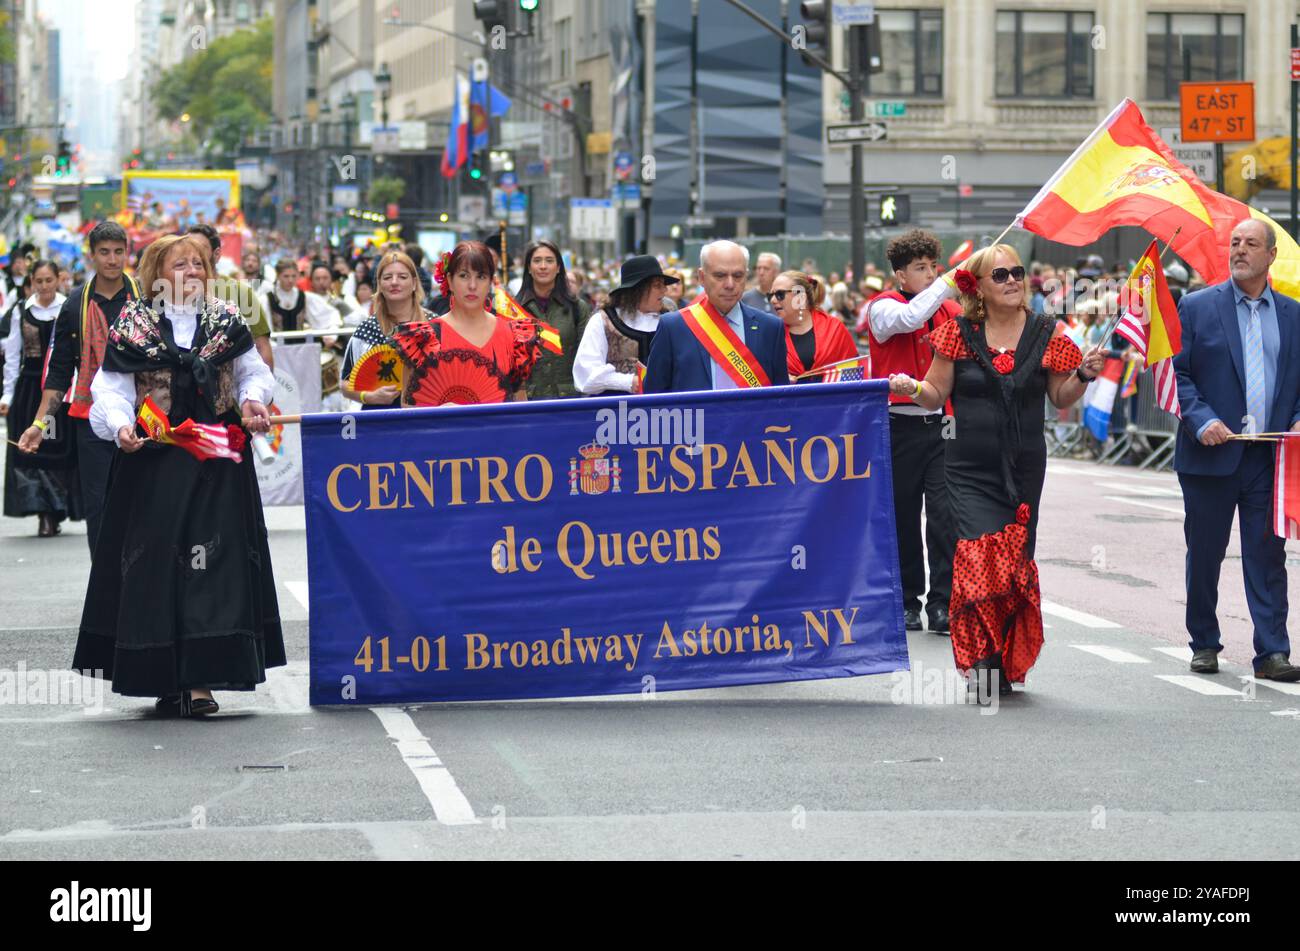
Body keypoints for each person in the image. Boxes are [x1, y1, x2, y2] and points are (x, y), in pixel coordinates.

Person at [70, 233, 283, 717]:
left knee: (214, 566)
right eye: (180, 264)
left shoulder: (227, 321)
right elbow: (112, 387)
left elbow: (253, 373)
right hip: (155, 461)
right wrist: (122, 425)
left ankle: (202, 680)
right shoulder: (135, 324)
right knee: (159, 566)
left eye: (199, 264)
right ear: (158, 274)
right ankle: (165, 676)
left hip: (218, 462)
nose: (191, 272)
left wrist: (253, 399)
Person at [887, 244, 1105, 702]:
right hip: (966, 467)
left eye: (1018, 273)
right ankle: (981, 662)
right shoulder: (957, 333)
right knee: (977, 558)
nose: (1012, 281)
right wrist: (911, 388)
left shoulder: (1047, 332)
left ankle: (1003, 659)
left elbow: (1061, 398)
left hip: (1024, 468)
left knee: (1012, 567)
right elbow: (934, 394)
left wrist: (1083, 375)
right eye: (1000, 274)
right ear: (978, 287)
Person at [1174, 219, 1300, 682]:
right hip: (1209, 455)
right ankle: (1204, 642)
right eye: (1234, 243)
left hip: (1268, 458)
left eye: (1251, 244)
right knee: (1205, 552)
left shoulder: (1293, 315)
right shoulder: (1196, 306)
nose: (1240, 250)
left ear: (1271, 256)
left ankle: (1272, 652)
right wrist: (1202, 420)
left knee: (1267, 555)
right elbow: (1177, 374)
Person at [20, 222, 142, 554]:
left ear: (126, 253)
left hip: (143, 417)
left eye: (119, 251)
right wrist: (38, 424)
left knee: (142, 504)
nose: (112, 260)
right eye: (104, 252)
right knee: (99, 506)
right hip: (91, 420)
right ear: (92, 256)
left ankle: (142, 591)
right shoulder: (74, 306)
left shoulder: (144, 299)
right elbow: (58, 373)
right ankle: (105, 593)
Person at [867, 229, 963, 633]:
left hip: (943, 426)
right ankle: (907, 600)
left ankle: (942, 602)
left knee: (944, 517)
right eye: (920, 269)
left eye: (933, 267)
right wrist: (947, 286)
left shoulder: (949, 310)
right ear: (900, 276)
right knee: (903, 515)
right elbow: (910, 318)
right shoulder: (881, 308)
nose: (929, 274)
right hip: (899, 425)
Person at [392, 241, 541, 407]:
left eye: (481, 276)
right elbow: (408, 407)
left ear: (491, 281)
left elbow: (520, 406)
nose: (472, 286)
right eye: (463, 276)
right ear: (450, 280)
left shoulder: (513, 338)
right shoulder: (425, 339)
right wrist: (437, 413)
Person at [643, 240, 790, 393]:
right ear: (701, 277)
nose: (730, 284)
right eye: (720, 276)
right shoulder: (672, 327)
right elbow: (654, 396)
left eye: (738, 276)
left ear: (746, 276)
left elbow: (781, 398)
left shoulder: (771, 328)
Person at [2, 260, 78, 536]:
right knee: (32, 451)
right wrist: (7, 395)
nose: (44, 287)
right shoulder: (20, 312)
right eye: (39, 282)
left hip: (60, 388)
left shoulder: (68, 308)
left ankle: (57, 509)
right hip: (30, 387)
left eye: (49, 280)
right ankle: (42, 512)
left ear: (58, 279)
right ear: (31, 282)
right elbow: (12, 357)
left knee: (58, 449)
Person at [573, 255, 676, 396]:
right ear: (638, 289)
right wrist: (628, 382)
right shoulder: (603, 321)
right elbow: (584, 375)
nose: (665, 291)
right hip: (613, 411)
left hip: (665, 412)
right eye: (657, 285)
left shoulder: (670, 321)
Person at [340, 251, 431, 410]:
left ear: (415, 283)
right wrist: (368, 396)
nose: (394, 282)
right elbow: (345, 383)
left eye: (402, 277)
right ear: (379, 284)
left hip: (426, 418)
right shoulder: (367, 329)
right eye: (387, 278)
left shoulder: (434, 324)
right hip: (378, 420)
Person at [190, 223, 274, 371]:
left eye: (200, 248)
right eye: (188, 248)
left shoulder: (240, 292)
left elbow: (261, 346)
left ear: (216, 254)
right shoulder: (172, 294)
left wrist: (265, 392)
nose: (193, 254)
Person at [515, 240, 591, 400]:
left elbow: (586, 359)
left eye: (549, 261)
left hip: (569, 401)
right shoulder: (514, 310)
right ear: (528, 268)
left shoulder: (578, 308)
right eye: (537, 261)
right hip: (527, 402)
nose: (543, 266)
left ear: (558, 268)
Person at [770, 270, 857, 384]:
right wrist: (781, 379)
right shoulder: (771, 332)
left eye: (780, 294)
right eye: (770, 295)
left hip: (833, 400)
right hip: (790, 401)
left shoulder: (834, 328)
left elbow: (854, 372)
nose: (772, 300)